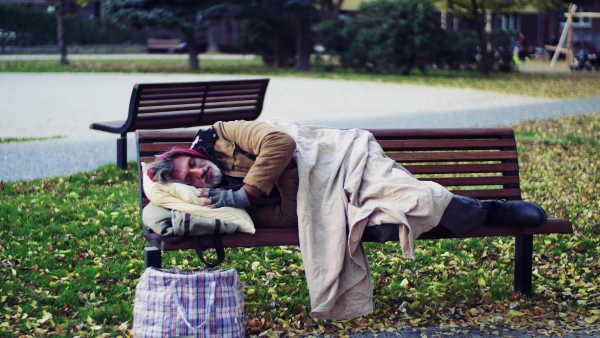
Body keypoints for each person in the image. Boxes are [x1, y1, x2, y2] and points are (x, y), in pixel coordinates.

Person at [143, 120, 547, 241]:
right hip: (324, 202)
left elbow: (280, 141)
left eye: (192, 165)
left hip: (342, 159)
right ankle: (472, 211)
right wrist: (277, 175)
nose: (199, 174)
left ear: (193, 154)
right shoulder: (221, 203)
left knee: (413, 199)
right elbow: (287, 218)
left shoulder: (225, 132)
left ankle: (493, 209)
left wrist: (249, 191)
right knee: (388, 225)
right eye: (190, 179)